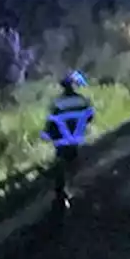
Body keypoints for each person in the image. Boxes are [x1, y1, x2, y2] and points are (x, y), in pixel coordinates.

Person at [40, 71, 94, 203]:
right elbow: (89, 116)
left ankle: (60, 188)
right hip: (74, 134)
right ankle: (69, 185)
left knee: (61, 158)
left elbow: (52, 120)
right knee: (72, 160)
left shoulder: (58, 102)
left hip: (60, 135)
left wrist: (49, 133)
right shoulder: (81, 100)